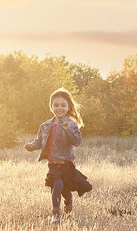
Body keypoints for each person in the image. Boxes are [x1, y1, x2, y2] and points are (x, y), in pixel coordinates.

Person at [25, 88, 91, 223]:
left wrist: (68, 131)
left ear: (68, 107)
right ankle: (56, 213)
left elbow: (77, 142)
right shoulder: (45, 125)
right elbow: (40, 141)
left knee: (65, 189)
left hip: (67, 163)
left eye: (63, 105)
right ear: (51, 106)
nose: (59, 108)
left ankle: (69, 201)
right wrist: (32, 146)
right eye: (56, 105)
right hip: (53, 164)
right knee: (57, 185)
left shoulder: (71, 124)